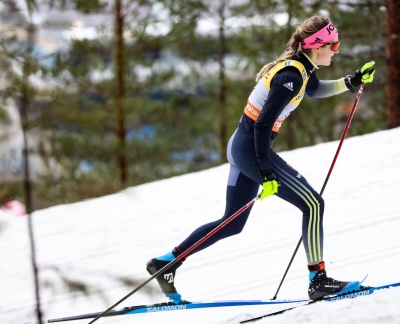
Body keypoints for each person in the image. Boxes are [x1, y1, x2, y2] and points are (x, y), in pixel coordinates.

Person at [146, 15, 375, 303]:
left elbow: (314, 89)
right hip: (251, 148)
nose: (336, 51)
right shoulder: (290, 77)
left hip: (243, 146)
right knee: (314, 204)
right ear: (317, 46)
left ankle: (166, 263)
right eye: (334, 45)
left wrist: (350, 82)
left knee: (232, 223)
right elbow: (263, 126)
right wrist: (266, 173)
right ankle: (318, 280)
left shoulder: (302, 68)